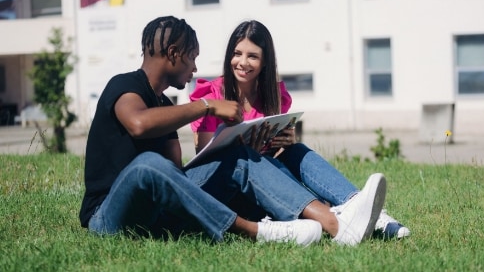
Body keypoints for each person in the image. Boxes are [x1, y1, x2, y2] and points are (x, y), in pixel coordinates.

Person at [79, 16, 386, 247]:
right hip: (107, 216)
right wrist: (207, 106)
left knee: (238, 157)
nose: (195, 69)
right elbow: (139, 124)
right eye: (192, 58)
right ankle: (258, 231)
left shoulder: (162, 103)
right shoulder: (124, 85)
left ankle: (336, 223)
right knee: (148, 164)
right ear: (173, 53)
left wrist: (232, 148)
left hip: (156, 215)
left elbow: (176, 173)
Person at [190, 20, 410, 240]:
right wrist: (249, 150)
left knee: (295, 151)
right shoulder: (211, 95)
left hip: (267, 174)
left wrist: (284, 140)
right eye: (237, 54)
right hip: (234, 185)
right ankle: (339, 218)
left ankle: (365, 210)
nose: (243, 62)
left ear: (265, 61)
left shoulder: (273, 96)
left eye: (253, 56)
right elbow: (205, 155)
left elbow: (274, 157)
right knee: (259, 161)